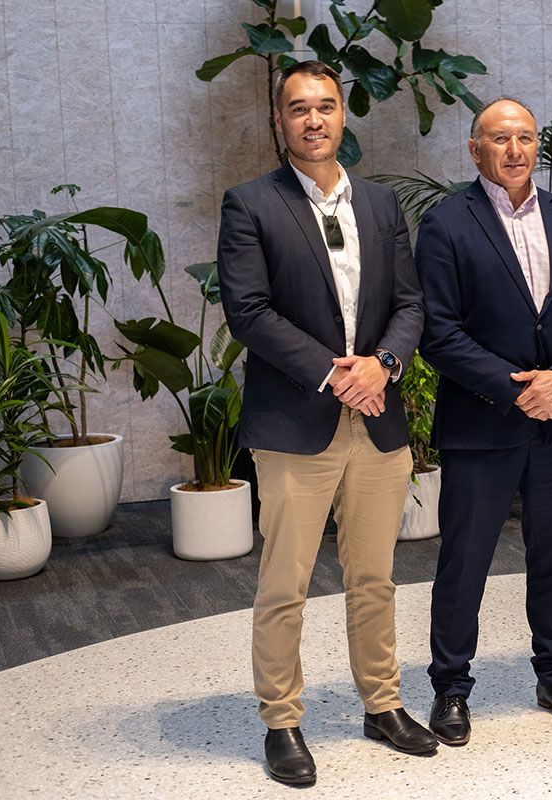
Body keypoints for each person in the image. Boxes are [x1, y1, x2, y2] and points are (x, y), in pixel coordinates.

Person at [217, 60, 437, 786]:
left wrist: (384, 366)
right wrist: (336, 373)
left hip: (378, 418)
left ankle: (383, 705)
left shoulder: (377, 203)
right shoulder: (250, 204)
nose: (314, 119)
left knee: (374, 576)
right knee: (286, 583)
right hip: (295, 422)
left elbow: (410, 303)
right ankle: (281, 721)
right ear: (279, 122)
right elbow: (249, 311)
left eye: (327, 106)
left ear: (345, 115)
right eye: (299, 108)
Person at [415, 98, 552, 745]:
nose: (515, 149)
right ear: (476, 150)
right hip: (482, 424)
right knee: (464, 560)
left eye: (525, 137)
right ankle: (450, 688)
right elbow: (437, 334)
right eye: (499, 139)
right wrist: (513, 387)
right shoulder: (446, 224)